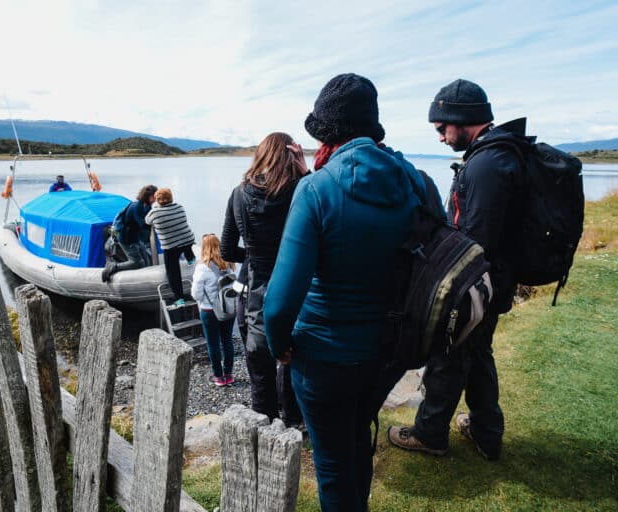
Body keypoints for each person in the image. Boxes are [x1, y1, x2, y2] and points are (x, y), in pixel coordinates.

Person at [263, 74, 440, 511]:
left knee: (333, 466)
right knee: (357, 439)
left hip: (323, 358)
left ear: (327, 134)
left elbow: (280, 302)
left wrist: (279, 345)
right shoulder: (417, 182)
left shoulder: (315, 189)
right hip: (389, 353)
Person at [387, 79, 526, 462]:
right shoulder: (498, 155)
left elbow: (474, 241)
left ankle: (430, 433)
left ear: (461, 118)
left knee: (448, 354)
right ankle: (486, 431)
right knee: (477, 354)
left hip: (477, 284)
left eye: (441, 128)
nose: (440, 137)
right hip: (493, 281)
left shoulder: (487, 165)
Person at [220, 132, 308, 428]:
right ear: (291, 158)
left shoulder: (239, 193)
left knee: (259, 369)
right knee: (292, 361)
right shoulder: (301, 190)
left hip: (254, 291)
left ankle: (265, 426)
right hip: (295, 290)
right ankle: (294, 423)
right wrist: (306, 171)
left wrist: (254, 255)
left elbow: (226, 249)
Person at [191, 234, 236, 387]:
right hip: (229, 309)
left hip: (210, 311)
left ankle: (218, 376)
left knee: (213, 344)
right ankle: (229, 374)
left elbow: (196, 294)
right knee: (227, 340)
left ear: (204, 248)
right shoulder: (229, 264)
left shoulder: (203, 268)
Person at [145, 188, 196, 307]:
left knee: (173, 272)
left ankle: (179, 299)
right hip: (187, 240)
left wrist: (156, 209)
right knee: (186, 244)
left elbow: (147, 221)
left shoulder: (154, 213)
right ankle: (191, 259)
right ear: (171, 198)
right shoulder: (179, 207)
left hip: (171, 246)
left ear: (157, 200)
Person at [102, 184, 157, 282]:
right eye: (154, 196)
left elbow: (148, 220)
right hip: (126, 239)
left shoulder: (147, 206)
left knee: (147, 261)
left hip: (135, 238)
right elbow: (142, 224)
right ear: (147, 196)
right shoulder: (136, 206)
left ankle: (146, 280)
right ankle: (113, 266)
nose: (155, 199)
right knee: (137, 262)